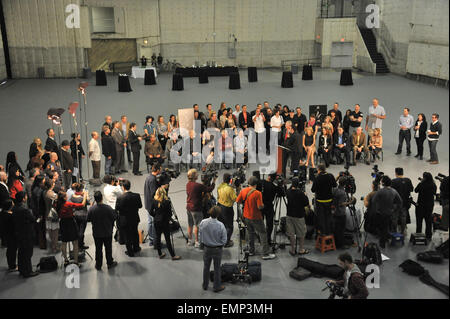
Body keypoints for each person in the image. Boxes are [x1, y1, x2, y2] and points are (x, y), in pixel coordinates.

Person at [236, 176, 276, 260]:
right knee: (263, 233)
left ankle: (251, 250)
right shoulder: (258, 193)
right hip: (256, 217)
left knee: (250, 233)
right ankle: (265, 253)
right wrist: (263, 205)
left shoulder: (243, 191)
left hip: (246, 216)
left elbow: (238, 201)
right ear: (256, 184)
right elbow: (260, 207)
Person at [56, 189, 88, 267]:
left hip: (62, 223)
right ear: (64, 198)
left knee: (64, 242)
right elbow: (82, 205)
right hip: (70, 223)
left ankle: (66, 261)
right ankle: (76, 261)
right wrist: (85, 196)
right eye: (66, 196)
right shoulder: (68, 204)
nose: (67, 196)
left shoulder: (57, 204)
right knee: (75, 242)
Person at [87, 191, 118, 270]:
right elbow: (114, 217)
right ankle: (110, 263)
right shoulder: (108, 208)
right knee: (108, 248)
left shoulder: (92, 209)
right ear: (102, 198)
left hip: (97, 233)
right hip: (107, 232)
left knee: (98, 249)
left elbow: (88, 219)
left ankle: (98, 265)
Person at [186, 169, 217, 248]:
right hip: (196, 208)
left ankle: (189, 240)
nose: (198, 175)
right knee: (198, 225)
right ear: (194, 176)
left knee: (190, 224)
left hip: (188, 207)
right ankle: (197, 242)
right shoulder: (198, 186)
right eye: (196, 174)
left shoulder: (188, 184)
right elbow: (209, 189)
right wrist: (214, 181)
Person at [199, 206, 227, 292]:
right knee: (217, 268)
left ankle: (205, 285)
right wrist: (221, 245)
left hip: (207, 248)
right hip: (217, 249)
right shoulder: (220, 225)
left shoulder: (203, 222)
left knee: (206, 267)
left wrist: (202, 244)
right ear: (218, 214)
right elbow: (224, 240)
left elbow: (200, 235)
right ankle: (216, 286)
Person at [150, 186, 181, 260]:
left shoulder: (154, 201)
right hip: (165, 222)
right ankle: (173, 255)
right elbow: (170, 214)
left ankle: (160, 254)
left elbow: (151, 211)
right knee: (167, 239)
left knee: (158, 238)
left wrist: (156, 216)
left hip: (157, 222)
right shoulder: (167, 202)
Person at [371, 176, 403, 248]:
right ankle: (387, 238)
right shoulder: (394, 191)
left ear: (383, 183)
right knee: (386, 226)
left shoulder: (380, 191)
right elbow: (400, 202)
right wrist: (395, 209)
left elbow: (373, 201)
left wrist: (375, 210)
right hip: (389, 212)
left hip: (380, 213)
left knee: (382, 228)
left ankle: (382, 244)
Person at [13, 192, 39, 277]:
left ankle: (22, 269)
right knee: (27, 253)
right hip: (27, 233)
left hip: (19, 233)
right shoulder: (24, 210)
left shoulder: (15, 208)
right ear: (24, 198)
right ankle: (28, 271)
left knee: (21, 252)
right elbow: (32, 219)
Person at [115, 180, 142, 257]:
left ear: (123, 187)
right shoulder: (137, 195)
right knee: (135, 233)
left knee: (127, 236)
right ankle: (136, 248)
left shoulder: (120, 198)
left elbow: (117, 208)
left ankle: (130, 252)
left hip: (124, 220)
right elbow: (140, 206)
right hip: (134, 218)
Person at [286, 178, 310, 256]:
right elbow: (306, 203)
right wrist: (305, 195)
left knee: (291, 234)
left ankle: (293, 250)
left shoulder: (288, 192)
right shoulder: (300, 193)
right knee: (301, 233)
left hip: (289, 215)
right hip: (299, 216)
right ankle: (301, 249)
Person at [311, 164, 337, 235]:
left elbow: (313, 190)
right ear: (325, 169)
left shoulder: (317, 178)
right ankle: (329, 232)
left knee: (321, 218)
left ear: (319, 170)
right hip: (329, 200)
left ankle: (322, 233)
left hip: (320, 201)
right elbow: (335, 185)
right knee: (328, 217)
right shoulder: (330, 176)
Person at [332, 177, 356, 249]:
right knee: (341, 230)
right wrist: (350, 202)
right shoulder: (342, 193)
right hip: (340, 213)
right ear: (345, 184)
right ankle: (340, 245)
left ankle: (336, 242)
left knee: (336, 229)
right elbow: (341, 204)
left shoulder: (335, 189)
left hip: (334, 212)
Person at [414, 172, 437, 240]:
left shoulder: (421, 184)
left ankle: (418, 234)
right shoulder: (433, 185)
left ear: (424, 178)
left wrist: (421, 183)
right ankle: (428, 235)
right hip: (429, 205)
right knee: (428, 221)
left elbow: (416, 190)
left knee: (419, 221)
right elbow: (434, 193)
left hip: (420, 205)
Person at [217, 173, 237, 247]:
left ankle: (221, 239)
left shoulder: (219, 186)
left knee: (222, 225)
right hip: (227, 209)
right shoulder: (230, 189)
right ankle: (226, 242)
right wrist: (237, 189)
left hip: (219, 206)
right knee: (229, 226)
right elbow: (235, 199)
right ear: (230, 180)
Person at [391, 168, 414, 235]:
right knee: (403, 217)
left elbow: (391, 191)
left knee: (395, 217)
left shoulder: (393, 181)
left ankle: (394, 231)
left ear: (396, 173)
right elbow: (411, 189)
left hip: (396, 203)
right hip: (405, 202)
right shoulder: (408, 180)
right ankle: (403, 231)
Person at [144, 163, 161, 247]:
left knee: (150, 222)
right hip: (152, 206)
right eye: (160, 169)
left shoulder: (148, 177)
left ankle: (151, 239)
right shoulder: (153, 180)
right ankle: (155, 241)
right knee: (154, 223)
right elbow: (154, 194)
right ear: (157, 170)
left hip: (148, 204)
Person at [70, 183, 90, 250]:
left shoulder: (72, 196)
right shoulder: (82, 198)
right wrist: (86, 195)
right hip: (83, 215)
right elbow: (88, 202)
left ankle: (78, 244)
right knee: (82, 231)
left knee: (77, 229)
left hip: (75, 215)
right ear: (81, 189)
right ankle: (80, 245)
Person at [31, 174, 46, 249]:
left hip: (37, 212)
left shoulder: (35, 189)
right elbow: (38, 204)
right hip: (39, 212)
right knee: (41, 229)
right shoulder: (38, 191)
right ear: (40, 182)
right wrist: (40, 214)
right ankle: (41, 244)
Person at [43, 179, 59, 253]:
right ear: (52, 185)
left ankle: (53, 246)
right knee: (55, 232)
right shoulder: (52, 194)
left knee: (50, 231)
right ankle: (54, 247)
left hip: (47, 213)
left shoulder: (44, 192)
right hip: (53, 213)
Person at [261, 173, 277, 245]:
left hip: (261, 205)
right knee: (269, 224)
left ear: (269, 176)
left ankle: (261, 238)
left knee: (260, 223)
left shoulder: (262, 183)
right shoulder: (274, 186)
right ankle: (268, 238)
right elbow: (282, 193)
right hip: (269, 206)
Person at [2, 199, 17, 271]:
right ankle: (12, 266)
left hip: (6, 235)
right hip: (11, 235)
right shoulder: (9, 216)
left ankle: (11, 264)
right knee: (12, 251)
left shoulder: (3, 213)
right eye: (12, 204)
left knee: (10, 250)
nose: (13, 205)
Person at [0, 171, 10, 247]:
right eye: (5, 175)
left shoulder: (3, 185)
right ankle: (5, 242)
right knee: (4, 226)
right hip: (4, 209)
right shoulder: (1, 186)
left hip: (5, 208)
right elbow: (4, 198)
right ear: (2, 177)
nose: (7, 176)